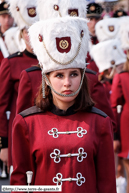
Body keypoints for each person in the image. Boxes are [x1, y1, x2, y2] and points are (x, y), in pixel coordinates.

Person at [11, 17, 116, 193]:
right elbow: (19, 181)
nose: (67, 82)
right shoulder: (26, 123)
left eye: (73, 74)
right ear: (47, 79)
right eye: (59, 75)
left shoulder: (100, 122)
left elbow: (107, 184)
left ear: (82, 77)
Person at [0, 0, 39, 170]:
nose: (30, 36)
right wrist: (4, 144)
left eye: (35, 31)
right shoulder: (11, 63)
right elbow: (1, 106)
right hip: (20, 134)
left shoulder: (54, 64)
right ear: (22, 34)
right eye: (26, 31)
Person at [86, 2, 103, 72]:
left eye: (96, 19)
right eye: (90, 19)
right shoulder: (80, 41)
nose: (94, 23)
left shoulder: (106, 40)